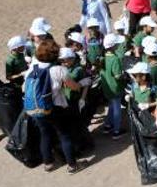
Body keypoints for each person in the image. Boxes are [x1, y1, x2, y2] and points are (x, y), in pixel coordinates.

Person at [24, 40, 86, 173]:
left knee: (44, 134)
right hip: (55, 108)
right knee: (64, 135)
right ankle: (72, 166)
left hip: (35, 108)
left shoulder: (33, 68)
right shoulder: (59, 70)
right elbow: (73, 87)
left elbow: (25, 88)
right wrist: (83, 83)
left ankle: (48, 163)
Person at [101, 33, 127, 139]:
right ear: (113, 46)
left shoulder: (104, 57)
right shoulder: (115, 59)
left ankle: (107, 125)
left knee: (111, 106)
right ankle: (117, 130)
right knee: (117, 109)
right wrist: (124, 76)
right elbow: (117, 76)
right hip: (115, 88)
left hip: (107, 88)